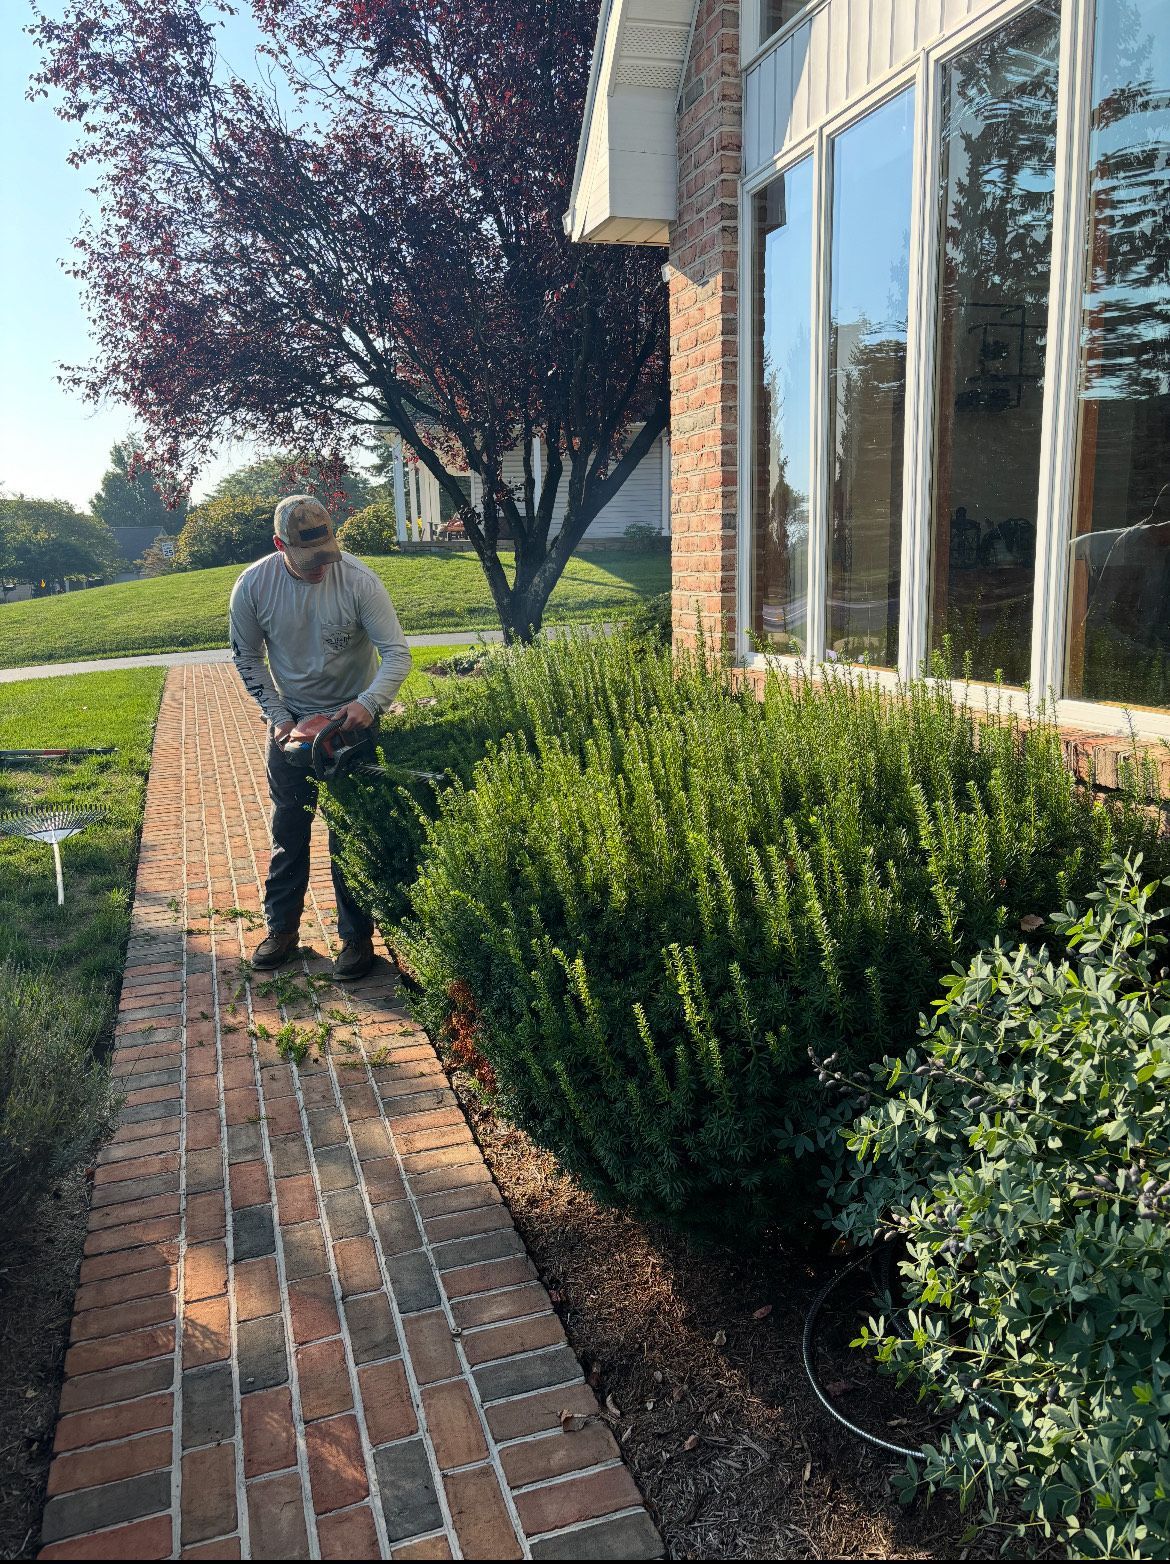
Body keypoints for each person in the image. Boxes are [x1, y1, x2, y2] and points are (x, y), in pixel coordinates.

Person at [229, 494, 413, 980]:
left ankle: (357, 941)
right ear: (279, 545)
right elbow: (246, 657)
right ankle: (283, 930)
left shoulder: (358, 580)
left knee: (351, 834)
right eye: (309, 561)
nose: (320, 568)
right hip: (291, 722)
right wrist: (277, 713)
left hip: (353, 722)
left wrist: (367, 706)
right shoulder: (253, 587)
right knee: (288, 832)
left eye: (326, 555)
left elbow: (396, 654)